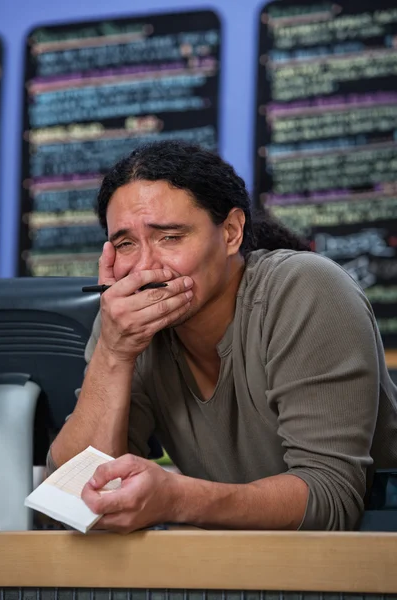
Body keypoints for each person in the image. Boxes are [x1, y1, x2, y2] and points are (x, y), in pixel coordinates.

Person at [47, 140, 397, 532]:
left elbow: (330, 497)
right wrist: (114, 352)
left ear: (231, 232)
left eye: (170, 237)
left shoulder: (306, 288)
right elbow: (71, 500)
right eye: (126, 244)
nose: (145, 267)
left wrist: (177, 498)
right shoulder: (124, 324)